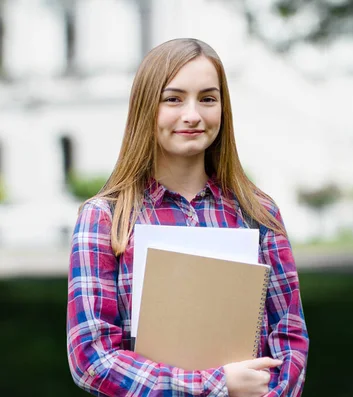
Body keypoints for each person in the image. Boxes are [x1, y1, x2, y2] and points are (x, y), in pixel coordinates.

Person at [66, 38, 309, 397]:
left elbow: (289, 339)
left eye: (208, 99)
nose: (193, 114)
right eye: (174, 98)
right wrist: (217, 386)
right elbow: (91, 358)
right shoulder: (104, 218)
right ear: (146, 108)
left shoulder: (258, 213)